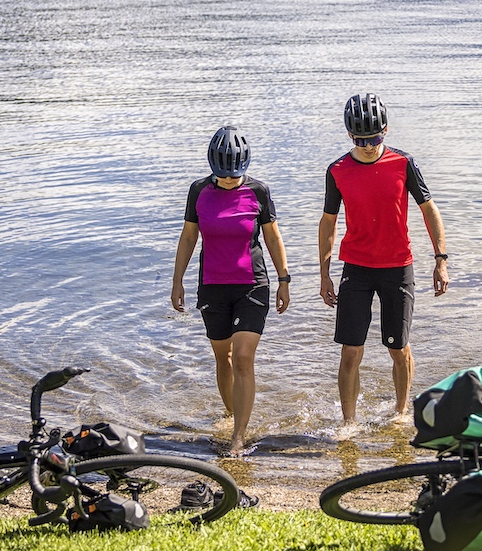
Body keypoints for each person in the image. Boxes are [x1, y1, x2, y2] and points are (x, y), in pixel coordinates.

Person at [318, 93, 448, 424]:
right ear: (349, 134)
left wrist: (440, 259)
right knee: (350, 352)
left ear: (385, 130)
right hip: (357, 268)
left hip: (397, 267)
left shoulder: (403, 163)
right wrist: (324, 274)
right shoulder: (337, 171)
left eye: (374, 138)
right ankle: (349, 424)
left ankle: (401, 413)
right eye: (361, 139)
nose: (368, 145)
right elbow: (328, 223)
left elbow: (429, 210)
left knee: (398, 348)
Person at [171, 125, 290, 457]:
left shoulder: (259, 192)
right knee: (222, 358)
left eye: (234, 175)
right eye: (222, 175)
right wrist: (177, 280)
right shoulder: (198, 191)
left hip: (252, 286)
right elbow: (189, 237)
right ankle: (231, 413)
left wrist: (284, 279)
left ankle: (238, 435)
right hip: (212, 288)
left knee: (242, 358)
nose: (228, 180)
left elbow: (272, 238)